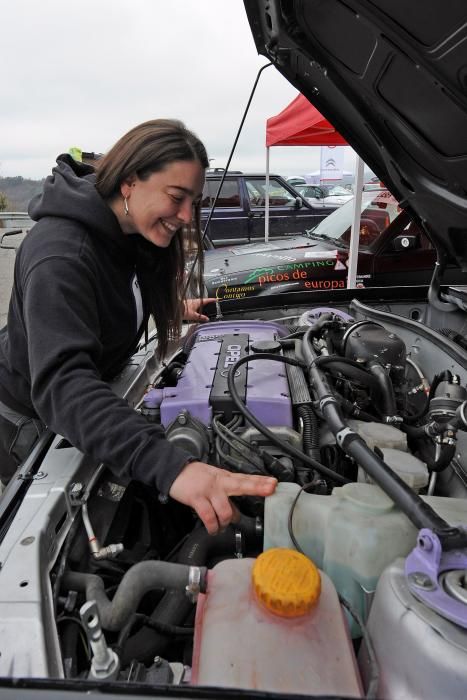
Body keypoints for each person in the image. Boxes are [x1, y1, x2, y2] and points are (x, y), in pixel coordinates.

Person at [0, 119, 276, 532]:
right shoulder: (60, 254)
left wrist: (170, 307)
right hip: (28, 415)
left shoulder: (127, 228)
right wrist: (172, 467)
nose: (186, 216)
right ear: (129, 182)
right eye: (177, 197)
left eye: (194, 201)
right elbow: (63, 383)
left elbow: (105, 296)